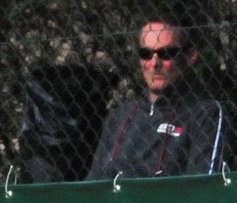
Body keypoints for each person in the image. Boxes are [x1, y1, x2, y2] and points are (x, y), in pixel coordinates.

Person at [83, 18, 229, 179]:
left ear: (190, 56)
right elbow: (93, 185)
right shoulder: (119, 116)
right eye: (145, 54)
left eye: (166, 54)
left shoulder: (204, 113)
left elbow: (203, 187)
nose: (154, 63)